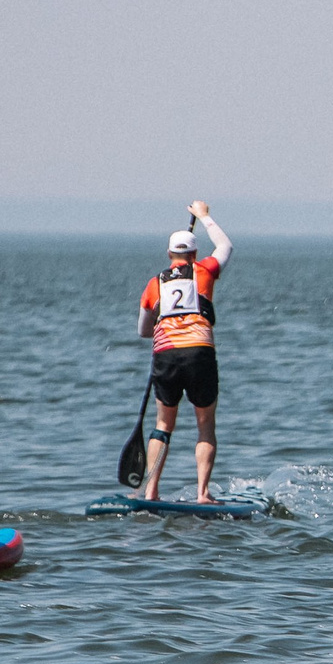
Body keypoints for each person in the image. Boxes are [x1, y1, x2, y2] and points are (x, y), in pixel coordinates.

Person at [136, 203, 233, 502]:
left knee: (163, 424)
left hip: (165, 355)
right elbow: (226, 245)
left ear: (169, 255)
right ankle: (203, 493)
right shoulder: (204, 271)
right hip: (199, 353)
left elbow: (143, 330)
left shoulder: (154, 284)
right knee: (205, 425)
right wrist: (203, 215)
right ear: (194, 255)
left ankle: (150, 491)